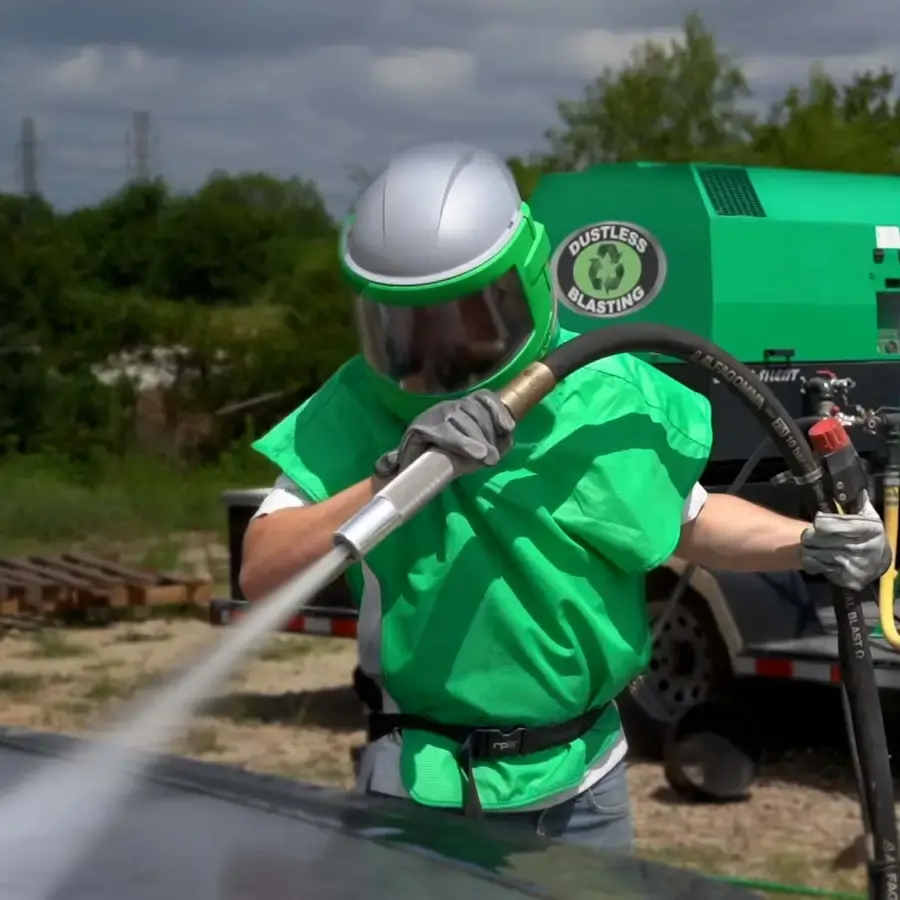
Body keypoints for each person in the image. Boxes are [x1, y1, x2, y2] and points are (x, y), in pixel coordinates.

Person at [239, 143, 891, 852]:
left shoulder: (606, 393)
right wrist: (393, 477)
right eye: (409, 328)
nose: (440, 351)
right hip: (432, 787)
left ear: (523, 281)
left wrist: (807, 544)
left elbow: (690, 521)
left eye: (465, 317)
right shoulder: (358, 410)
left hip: (589, 782)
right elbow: (264, 570)